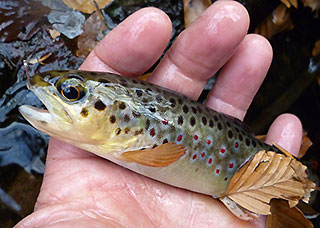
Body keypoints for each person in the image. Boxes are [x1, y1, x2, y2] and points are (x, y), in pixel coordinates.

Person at [15, 1, 302, 227]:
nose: (48, 92)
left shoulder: (132, 145)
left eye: (73, 93)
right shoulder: (128, 142)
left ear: (123, 116)